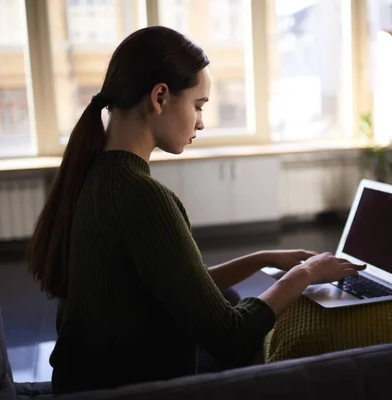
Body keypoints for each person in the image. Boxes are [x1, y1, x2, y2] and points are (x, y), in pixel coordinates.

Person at [26, 26, 364, 395]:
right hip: (128, 390)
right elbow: (229, 337)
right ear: (159, 97)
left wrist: (262, 258)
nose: (201, 122)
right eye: (198, 106)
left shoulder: (92, 174)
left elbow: (177, 283)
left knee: (231, 298)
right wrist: (304, 274)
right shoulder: (142, 196)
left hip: (84, 382)